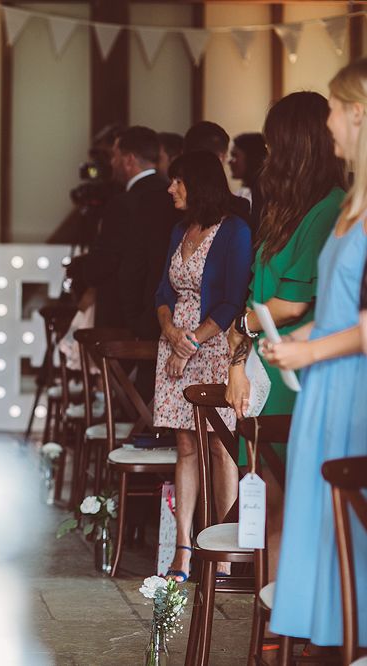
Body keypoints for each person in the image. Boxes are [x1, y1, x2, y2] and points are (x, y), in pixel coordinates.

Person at [261, 59, 367, 652]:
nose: (325, 118)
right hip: (327, 382)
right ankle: (336, 641)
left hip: (353, 390)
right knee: (323, 527)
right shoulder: (354, 201)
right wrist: (308, 344)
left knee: (349, 526)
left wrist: (311, 347)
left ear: (357, 113)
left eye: (332, 105)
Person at [225, 92, 345, 582]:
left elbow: (291, 304)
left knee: (295, 501)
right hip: (264, 369)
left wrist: (242, 328)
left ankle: (297, 619)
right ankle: (271, 616)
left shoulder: (329, 209)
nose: (267, 157)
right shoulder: (285, 210)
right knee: (267, 501)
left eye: (274, 145)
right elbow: (256, 295)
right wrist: (236, 361)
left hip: (299, 373)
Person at [154, 151, 252, 582]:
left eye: (178, 181)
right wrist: (171, 333)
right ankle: (183, 548)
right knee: (186, 447)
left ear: (199, 182)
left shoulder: (235, 231)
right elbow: (161, 289)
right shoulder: (180, 229)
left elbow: (233, 298)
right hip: (174, 347)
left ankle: (224, 549)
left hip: (214, 348)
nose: (172, 188)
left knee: (219, 445)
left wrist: (190, 342)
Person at [82, 127, 176, 329]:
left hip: (123, 312)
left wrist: (82, 270)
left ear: (129, 160)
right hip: (166, 309)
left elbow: (108, 260)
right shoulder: (172, 195)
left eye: (114, 156)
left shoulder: (122, 203)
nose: (112, 162)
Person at [183, 121, 251, 223]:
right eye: (227, 155)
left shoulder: (168, 199)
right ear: (219, 158)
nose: (229, 161)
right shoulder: (237, 207)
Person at [229, 132, 267, 234]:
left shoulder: (263, 189)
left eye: (235, 156)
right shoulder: (252, 188)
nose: (230, 161)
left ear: (250, 157)